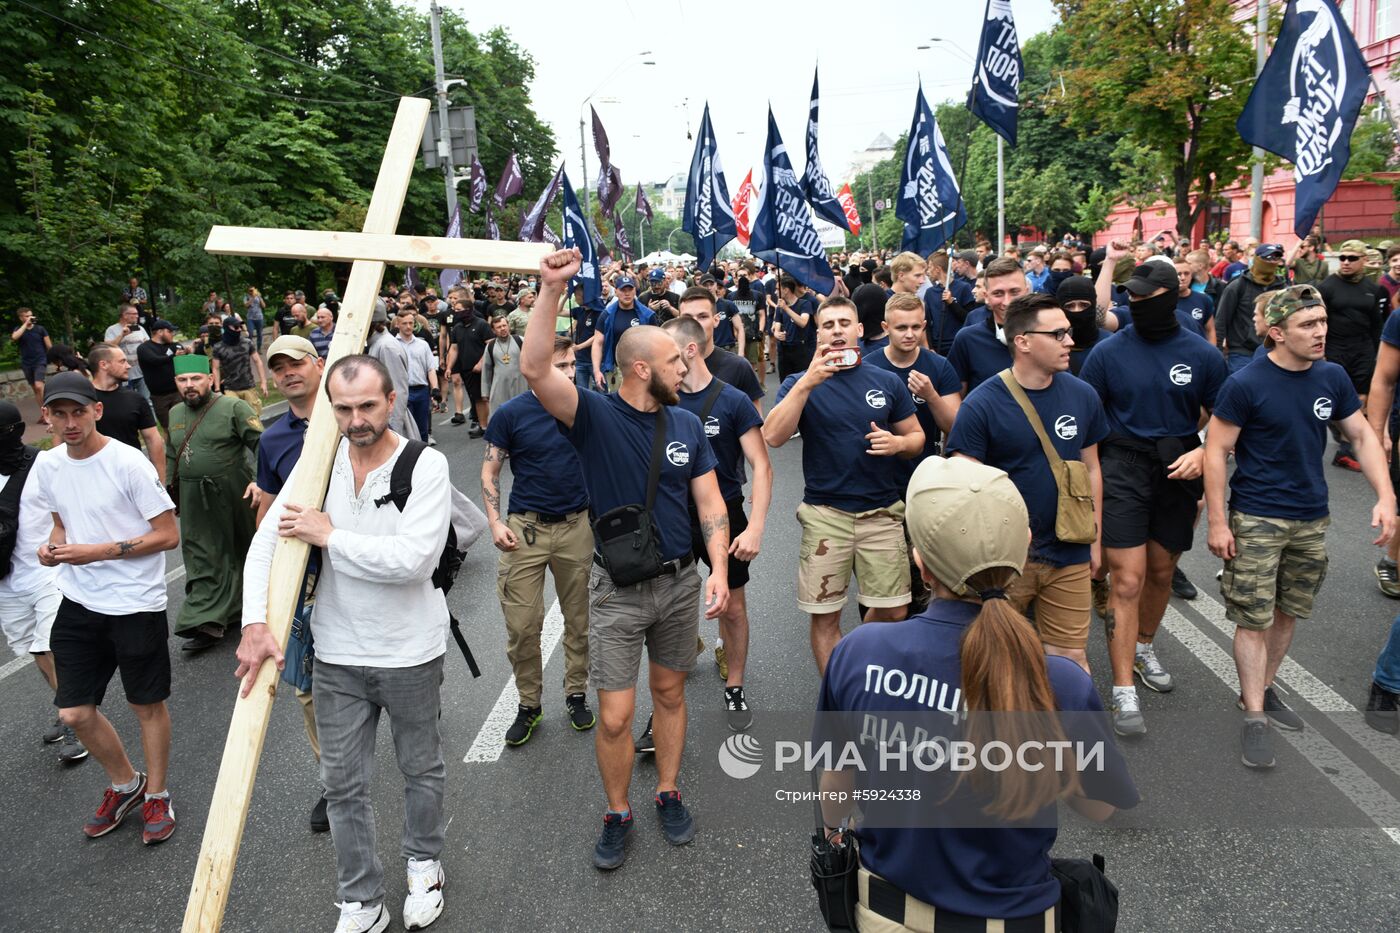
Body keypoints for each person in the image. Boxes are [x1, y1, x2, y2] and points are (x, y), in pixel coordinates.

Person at [816, 456, 1138, 931]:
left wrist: (834, 834)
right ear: (1024, 551)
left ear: (920, 564)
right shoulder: (1062, 681)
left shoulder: (859, 652)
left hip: (890, 911)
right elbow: (1099, 805)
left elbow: (836, 781)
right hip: (1019, 918)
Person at [519, 247, 730, 872]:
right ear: (639, 368)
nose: (686, 365)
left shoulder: (686, 426)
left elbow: (710, 501)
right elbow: (535, 369)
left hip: (679, 585)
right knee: (615, 717)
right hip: (616, 591)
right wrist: (551, 291)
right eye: (674, 360)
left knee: (669, 693)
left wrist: (718, 568)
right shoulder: (595, 417)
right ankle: (617, 811)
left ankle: (667, 790)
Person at [237, 355, 453, 933]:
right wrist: (254, 623)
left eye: (367, 406)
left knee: (420, 769)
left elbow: (413, 561)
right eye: (343, 408)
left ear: (390, 401)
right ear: (329, 409)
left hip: (410, 650)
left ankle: (423, 865)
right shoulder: (317, 467)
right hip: (335, 653)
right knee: (341, 783)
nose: (356, 419)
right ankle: (361, 897)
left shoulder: (424, 465)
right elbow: (266, 545)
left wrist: (330, 536)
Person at [1204, 286, 1394, 767]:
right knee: (1253, 617)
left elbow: (1361, 435)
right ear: (1276, 333)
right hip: (1258, 517)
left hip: (1312, 518)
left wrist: (1387, 496)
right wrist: (1219, 522)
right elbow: (1216, 451)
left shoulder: (1331, 377)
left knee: (1289, 611)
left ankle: (1264, 690)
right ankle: (1253, 717)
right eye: (1308, 325)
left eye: (1323, 322)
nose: (1321, 332)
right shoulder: (1246, 383)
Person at [1080, 260, 1228, 736]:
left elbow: (1225, 419)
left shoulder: (1203, 355)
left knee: (1162, 571)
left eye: (1145, 296)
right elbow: (1089, 423)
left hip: (1177, 467)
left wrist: (1202, 453)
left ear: (1170, 295)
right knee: (1127, 579)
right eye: (1131, 297)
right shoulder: (1107, 353)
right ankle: (1123, 691)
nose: (1135, 304)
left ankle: (1143, 646)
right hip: (1123, 465)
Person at [32, 371, 181, 844]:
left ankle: (157, 794)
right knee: (75, 712)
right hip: (78, 600)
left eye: (79, 411)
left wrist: (95, 551)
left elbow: (168, 535)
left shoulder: (129, 463)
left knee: (145, 704)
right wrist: (53, 546)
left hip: (135, 602)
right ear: (47, 417)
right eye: (60, 414)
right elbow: (60, 523)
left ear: (97, 411)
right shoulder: (49, 465)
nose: (70, 422)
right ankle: (126, 783)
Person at [763, 296, 924, 674]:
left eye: (843, 323)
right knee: (825, 616)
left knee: (896, 609)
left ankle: (852, 663)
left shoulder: (885, 381)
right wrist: (807, 383)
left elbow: (917, 437)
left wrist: (898, 444)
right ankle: (838, 701)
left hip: (882, 513)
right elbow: (773, 435)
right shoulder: (797, 383)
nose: (837, 330)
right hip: (825, 515)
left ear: (859, 331)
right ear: (818, 334)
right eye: (829, 325)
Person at [947, 293, 1107, 672]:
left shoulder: (1082, 395)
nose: (1070, 341)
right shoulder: (982, 403)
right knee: (999, 661)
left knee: (1070, 659)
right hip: (1006, 558)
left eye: (1068, 333)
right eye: (1058, 334)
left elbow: (1093, 470)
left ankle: (1066, 731)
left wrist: (1096, 541)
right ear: (1022, 342)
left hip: (1070, 552)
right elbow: (962, 484)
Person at [482, 335, 595, 746]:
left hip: (576, 527)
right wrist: (495, 522)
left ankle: (576, 693)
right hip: (524, 530)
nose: (567, 374)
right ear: (538, 367)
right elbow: (490, 472)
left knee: (578, 621)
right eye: (558, 366)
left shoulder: (586, 407)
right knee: (522, 626)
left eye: (571, 367)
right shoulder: (511, 414)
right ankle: (529, 704)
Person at [663, 317, 771, 732]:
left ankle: (736, 685)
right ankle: (665, 704)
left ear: (690, 351)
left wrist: (756, 525)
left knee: (735, 605)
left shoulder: (733, 400)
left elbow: (761, 465)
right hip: (674, 514)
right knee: (671, 606)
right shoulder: (663, 401)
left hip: (726, 513)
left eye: (669, 352)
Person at [250, 335, 330, 831]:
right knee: (308, 688)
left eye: (296, 363)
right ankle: (333, 781)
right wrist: (262, 576)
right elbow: (268, 506)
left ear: (318, 364)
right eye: (278, 367)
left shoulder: (350, 413)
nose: (288, 373)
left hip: (365, 565)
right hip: (306, 579)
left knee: (394, 672)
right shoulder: (273, 438)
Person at [0, 401, 84, 762]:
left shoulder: (45, 464)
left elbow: (69, 509)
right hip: (6, 579)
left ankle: (77, 723)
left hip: (47, 572)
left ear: (16, 433)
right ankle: (66, 706)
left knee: (48, 646)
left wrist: (61, 544)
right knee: (33, 650)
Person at [165, 355, 263, 652]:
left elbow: (262, 445)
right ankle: (206, 619)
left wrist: (261, 481)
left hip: (235, 491)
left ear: (210, 379)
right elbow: (173, 453)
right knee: (201, 553)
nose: (189, 385)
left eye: (195, 378)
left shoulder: (233, 407)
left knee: (242, 549)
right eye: (183, 380)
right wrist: (172, 492)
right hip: (194, 496)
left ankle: (247, 607)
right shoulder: (174, 413)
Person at [866, 293, 961, 478]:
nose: (910, 334)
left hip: (924, 473)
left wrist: (931, 396)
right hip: (877, 476)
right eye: (901, 328)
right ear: (886, 328)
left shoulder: (939, 366)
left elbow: (955, 427)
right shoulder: (869, 367)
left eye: (916, 327)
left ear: (924, 326)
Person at [1320, 240, 1390, 471]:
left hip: (1362, 350)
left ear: (1363, 261)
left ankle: (1346, 451)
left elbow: (1376, 325)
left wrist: (1378, 353)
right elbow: (1319, 321)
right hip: (1335, 349)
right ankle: (1341, 433)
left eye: (1351, 258)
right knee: (1334, 398)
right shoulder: (1328, 286)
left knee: (1360, 398)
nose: (1346, 262)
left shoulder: (1373, 289)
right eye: (1342, 258)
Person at [947, 258, 1030, 394]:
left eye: (1014, 292)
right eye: (998, 293)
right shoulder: (967, 339)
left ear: (1027, 292)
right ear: (986, 297)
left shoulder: (1047, 335)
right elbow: (956, 398)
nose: (1007, 302)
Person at [675, 286, 764, 412]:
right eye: (687, 317)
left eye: (702, 316)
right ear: (678, 321)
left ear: (716, 320)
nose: (695, 323)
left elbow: (757, 424)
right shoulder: (667, 368)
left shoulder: (738, 367)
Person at [87, 346, 167, 486]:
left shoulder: (136, 399)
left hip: (131, 478)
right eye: (122, 361)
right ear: (103, 365)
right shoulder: (82, 400)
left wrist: (160, 482)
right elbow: (62, 441)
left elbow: (153, 439)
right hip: (93, 479)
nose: (128, 366)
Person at [1216, 244, 1285, 374]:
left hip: (1274, 351)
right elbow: (1221, 320)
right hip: (1241, 353)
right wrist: (1218, 351)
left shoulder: (1282, 287)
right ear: (1257, 259)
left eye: (1276, 258)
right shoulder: (1237, 285)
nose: (1272, 262)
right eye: (1268, 258)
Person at [365, 300, 420, 442]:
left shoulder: (386, 347)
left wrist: (393, 432)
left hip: (392, 425)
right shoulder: (377, 344)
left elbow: (397, 391)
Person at [591, 275, 656, 391]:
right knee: (618, 406)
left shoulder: (647, 315)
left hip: (643, 369)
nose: (627, 293)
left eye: (630, 289)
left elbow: (656, 343)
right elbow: (598, 343)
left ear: (635, 290)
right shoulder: (606, 315)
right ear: (616, 291)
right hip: (615, 369)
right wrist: (596, 371)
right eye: (623, 290)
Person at [445, 295, 492, 437]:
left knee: (486, 397)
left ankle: (493, 424)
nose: (455, 312)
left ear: (468, 310)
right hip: (467, 369)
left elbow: (490, 344)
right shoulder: (457, 328)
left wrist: (481, 362)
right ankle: (483, 426)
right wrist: (449, 367)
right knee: (476, 398)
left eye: (458, 309)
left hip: (483, 368)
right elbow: (454, 349)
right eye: (454, 309)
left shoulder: (481, 324)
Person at [394, 309, 440, 447]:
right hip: (402, 391)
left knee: (422, 428)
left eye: (411, 323)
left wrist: (435, 388)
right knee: (406, 429)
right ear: (398, 324)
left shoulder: (423, 344)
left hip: (421, 390)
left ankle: (423, 456)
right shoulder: (392, 345)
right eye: (404, 323)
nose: (408, 327)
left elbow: (430, 368)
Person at [210, 316, 268, 417]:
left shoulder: (247, 342)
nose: (239, 329)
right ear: (227, 328)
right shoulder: (218, 347)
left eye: (240, 327)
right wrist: (217, 389)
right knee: (236, 417)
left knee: (254, 417)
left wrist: (263, 382)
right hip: (230, 389)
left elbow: (258, 361)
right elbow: (215, 368)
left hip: (248, 386)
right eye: (236, 327)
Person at [1056, 276, 1113, 376]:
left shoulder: (1111, 344)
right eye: (1070, 306)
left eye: (1084, 305)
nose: (1077, 311)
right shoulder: (1052, 348)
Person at [135, 320, 182, 431]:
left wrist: (190, 350)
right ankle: (170, 448)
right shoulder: (144, 348)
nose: (173, 334)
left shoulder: (174, 345)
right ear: (160, 332)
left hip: (178, 392)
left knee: (183, 425)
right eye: (170, 331)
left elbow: (182, 350)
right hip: (159, 396)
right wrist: (173, 357)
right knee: (167, 428)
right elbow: (154, 360)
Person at [482, 315, 528, 422]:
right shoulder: (490, 346)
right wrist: (485, 392)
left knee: (522, 412)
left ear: (509, 326)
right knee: (500, 414)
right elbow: (486, 370)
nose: (503, 329)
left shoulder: (520, 340)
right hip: (500, 387)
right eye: (498, 327)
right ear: (493, 330)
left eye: (504, 325)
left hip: (521, 383)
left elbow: (532, 360)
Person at [771, 275, 818, 380]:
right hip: (784, 350)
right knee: (785, 381)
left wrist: (786, 308)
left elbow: (803, 322)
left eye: (777, 289)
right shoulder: (780, 307)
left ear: (786, 290)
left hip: (801, 350)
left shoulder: (805, 304)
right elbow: (776, 325)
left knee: (802, 381)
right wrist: (777, 334)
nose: (775, 292)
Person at [11, 308, 52, 423]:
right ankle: (44, 414)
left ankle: (49, 411)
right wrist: (25, 324)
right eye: (27, 316)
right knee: (35, 389)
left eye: (31, 315)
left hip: (40, 360)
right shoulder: (19, 329)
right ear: (21, 317)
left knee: (39, 386)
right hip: (27, 363)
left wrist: (55, 358)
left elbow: (49, 346)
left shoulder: (40, 329)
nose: (30, 318)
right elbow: (14, 337)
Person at [104, 304, 150, 400]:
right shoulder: (112, 330)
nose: (137, 316)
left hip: (142, 372)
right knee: (128, 401)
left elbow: (148, 346)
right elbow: (108, 349)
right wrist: (122, 335)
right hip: (123, 374)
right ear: (125, 315)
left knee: (146, 401)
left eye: (137, 314)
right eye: (134, 314)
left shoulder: (140, 328)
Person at [1175, 257, 1217, 344]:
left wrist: (1212, 353)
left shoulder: (1203, 299)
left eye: (1186, 273)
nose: (1182, 278)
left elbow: (1210, 330)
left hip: (1199, 354)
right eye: (1178, 274)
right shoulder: (1163, 301)